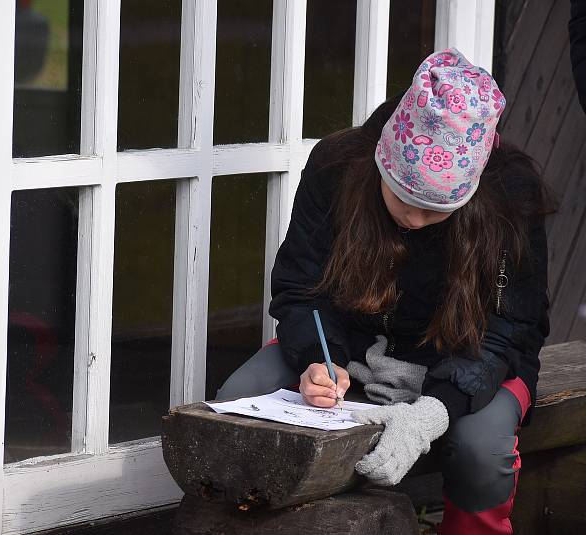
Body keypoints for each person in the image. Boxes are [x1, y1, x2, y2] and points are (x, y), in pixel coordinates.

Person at [216, 48, 550, 535]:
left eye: (435, 211)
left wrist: (432, 413)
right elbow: (299, 286)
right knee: (238, 402)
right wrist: (317, 358)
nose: (414, 221)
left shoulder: (512, 197)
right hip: (346, 344)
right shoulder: (336, 166)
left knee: (482, 449)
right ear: (380, 165)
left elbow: (511, 330)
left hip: (471, 361)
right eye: (403, 197)